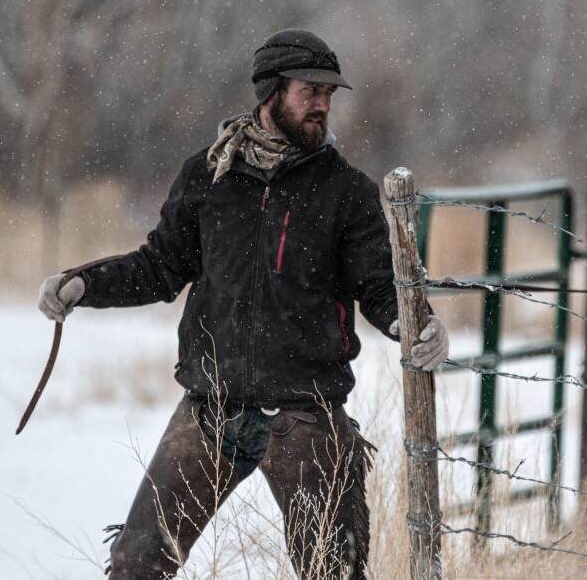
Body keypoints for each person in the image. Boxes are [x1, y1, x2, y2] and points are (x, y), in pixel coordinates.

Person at [37, 28, 449, 580]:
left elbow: (377, 285)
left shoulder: (346, 190)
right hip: (211, 408)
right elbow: (160, 266)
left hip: (309, 413)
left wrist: (410, 324)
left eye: (330, 93)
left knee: (334, 572)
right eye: (311, 90)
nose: (323, 104)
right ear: (270, 91)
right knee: (136, 564)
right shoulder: (208, 176)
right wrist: (85, 284)